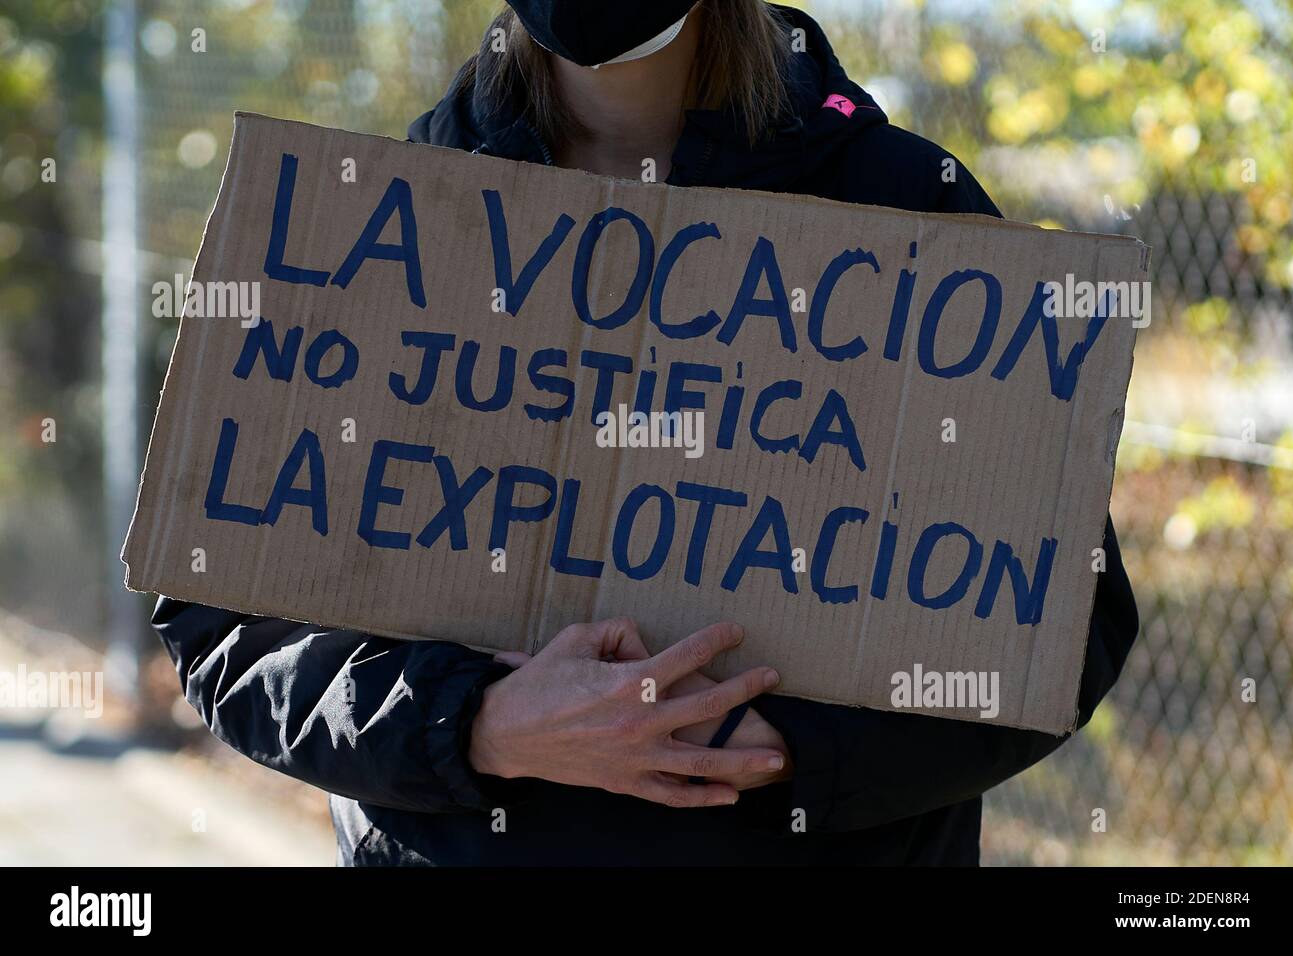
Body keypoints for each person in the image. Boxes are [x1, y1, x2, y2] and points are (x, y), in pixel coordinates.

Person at [152, 0, 1140, 866]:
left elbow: (1066, 618)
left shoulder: (907, 207)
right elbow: (226, 623)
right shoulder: (383, 218)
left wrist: (787, 743)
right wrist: (477, 724)